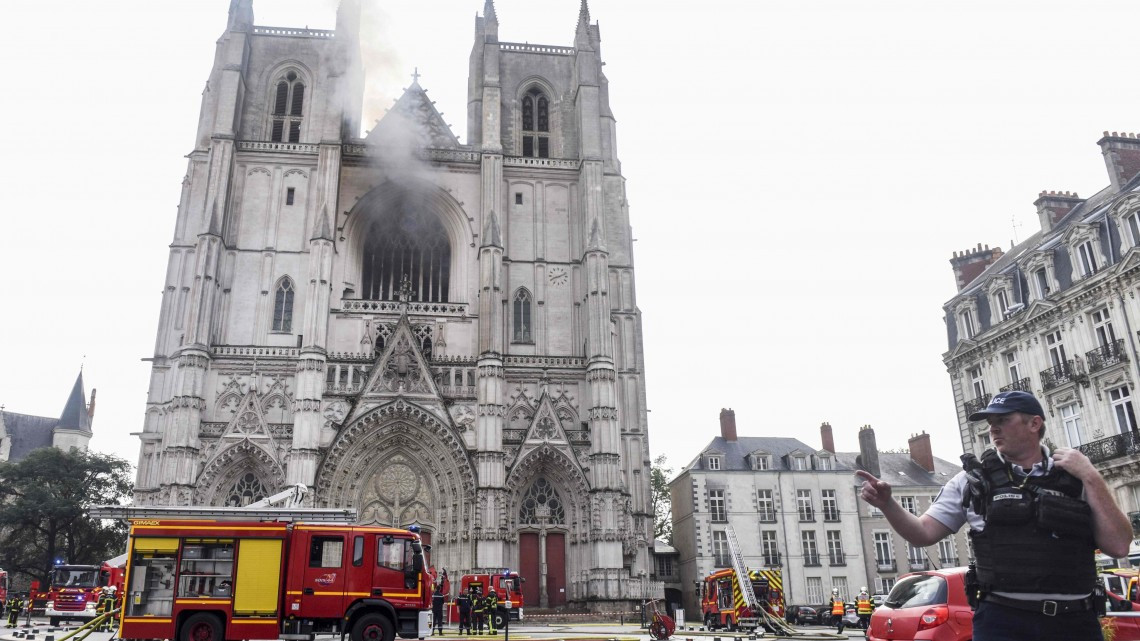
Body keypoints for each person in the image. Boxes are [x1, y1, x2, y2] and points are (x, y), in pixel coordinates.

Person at [856, 390, 1132, 641]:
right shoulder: (971, 480)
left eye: (1003, 420)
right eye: (990, 422)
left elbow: (1119, 546)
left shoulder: (1075, 475)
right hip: (1003, 622)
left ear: (1034, 423)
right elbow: (922, 533)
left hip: (1075, 622)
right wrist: (888, 504)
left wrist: (1091, 476)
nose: (993, 428)